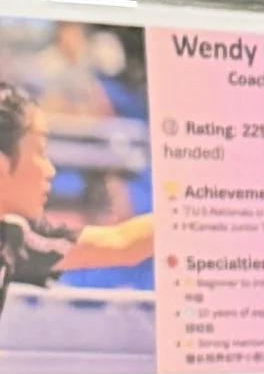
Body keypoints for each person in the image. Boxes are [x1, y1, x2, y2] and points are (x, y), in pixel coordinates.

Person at [0, 83, 154, 317]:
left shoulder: (13, 238)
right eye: (40, 151)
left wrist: (198, 212)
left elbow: (122, 243)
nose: (50, 169)